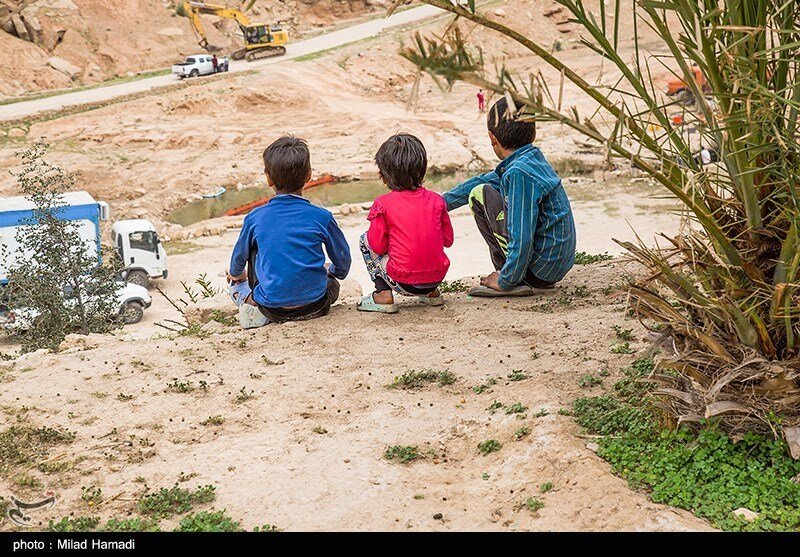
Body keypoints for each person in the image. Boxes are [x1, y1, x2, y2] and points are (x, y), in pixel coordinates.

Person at [443, 98, 576, 297]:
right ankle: (513, 274)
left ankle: (510, 276)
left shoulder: (518, 173)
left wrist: (506, 281)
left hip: (541, 272)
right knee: (482, 186)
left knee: (480, 195)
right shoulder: (531, 158)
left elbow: (521, 233)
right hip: (554, 266)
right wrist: (438, 203)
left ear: (492, 137)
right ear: (533, 132)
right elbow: (483, 178)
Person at [227, 136, 351, 328]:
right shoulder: (322, 216)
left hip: (271, 309)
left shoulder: (255, 218)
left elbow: (237, 261)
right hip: (316, 305)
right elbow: (343, 263)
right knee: (330, 280)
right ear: (309, 175)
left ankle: (249, 301)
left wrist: (237, 276)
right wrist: (332, 272)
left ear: (268, 178)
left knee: (248, 258)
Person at [357, 133, 454, 314]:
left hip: (403, 282)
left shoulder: (383, 204)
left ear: (384, 176)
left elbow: (377, 246)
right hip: (437, 277)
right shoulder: (437, 200)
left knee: (365, 240)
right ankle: (432, 294)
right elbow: (448, 240)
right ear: (423, 169)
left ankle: (383, 294)